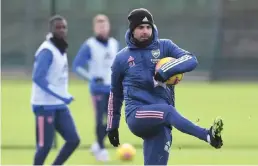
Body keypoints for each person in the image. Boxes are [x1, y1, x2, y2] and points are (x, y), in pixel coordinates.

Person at [106, 8, 224, 165]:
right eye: (140, 28)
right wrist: (112, 126)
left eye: (148, 27)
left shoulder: (165, 47)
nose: (145, 31)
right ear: (132, 30)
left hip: (161, 122)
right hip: (137, 115)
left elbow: (191, 59)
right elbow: (115, 94)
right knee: (168, 111)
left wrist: (166, 70)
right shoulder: (121, 58)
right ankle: (208, 135)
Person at [31, 15, 80, 165]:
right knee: (44, 146)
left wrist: (63, 96)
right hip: (44, 106)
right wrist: (62, 96)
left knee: (73, 140)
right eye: (58, 27)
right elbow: (38, 78)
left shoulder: (60, 48)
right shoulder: (47, 50)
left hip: (59, 105)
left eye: (64, 27)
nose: (61, 30)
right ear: (51, 30)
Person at [72, 14, 119, 161]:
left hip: (112, 88)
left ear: (109, 27)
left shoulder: (114, 44)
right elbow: (77, 66)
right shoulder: (89, 45)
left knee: (113, 120)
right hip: (97, 89)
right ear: (94, 28)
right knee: (99, 119)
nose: (102, 28)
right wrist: (91, 78)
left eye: (104, 25)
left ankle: (97, 144)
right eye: (99, 26)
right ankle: (101, 148)